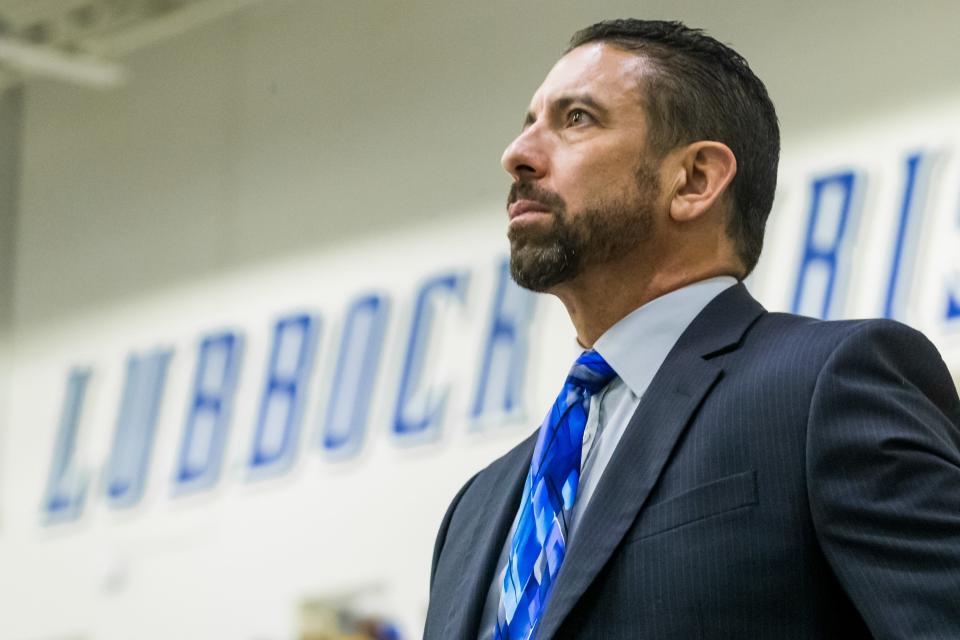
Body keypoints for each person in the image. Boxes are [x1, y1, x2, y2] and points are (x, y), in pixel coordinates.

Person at [423, 19, 960, 640]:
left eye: (576, 119)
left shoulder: (825, 386)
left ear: (695, 180)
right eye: (529, 121)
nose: (516, 154)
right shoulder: (475, 511)